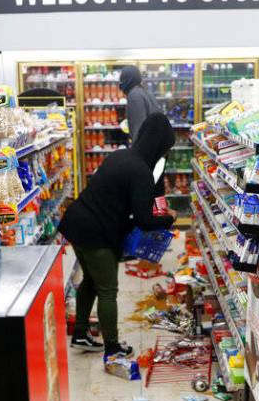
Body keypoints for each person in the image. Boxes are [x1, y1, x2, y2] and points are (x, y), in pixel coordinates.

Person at [58, 112, 176, 357]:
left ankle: (80, 333)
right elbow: (143, 220)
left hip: (77, 220)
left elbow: (124, 201)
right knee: (108, 289)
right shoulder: (142, 172)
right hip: (95, 232)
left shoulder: (121, 155)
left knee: (91, 280)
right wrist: (169, 218)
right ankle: (112, 348)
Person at [119, 65, 161, 144]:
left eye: (122, 79)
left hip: (146, 148)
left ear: (128, 80)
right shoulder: (144, 92)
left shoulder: (134, 95)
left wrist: (137, 152)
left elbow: (138, 128)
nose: (120, 83)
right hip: (154, 144)